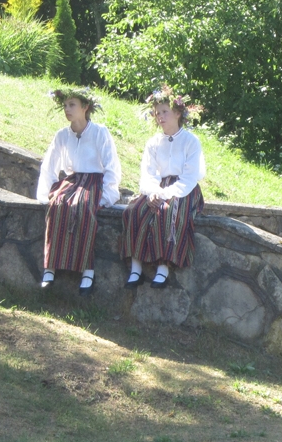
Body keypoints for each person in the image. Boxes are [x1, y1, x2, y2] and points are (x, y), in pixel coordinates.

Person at [36, 88, 122, 296]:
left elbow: (111, 165)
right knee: (57, 204)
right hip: (72, 181)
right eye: (65, 105)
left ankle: (87, 270)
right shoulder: (62, 135)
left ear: (85, 107)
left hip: (93, 182)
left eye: (72, 105)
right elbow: (50, 164)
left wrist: (106, 195)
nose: (67, 109)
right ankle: (50, 267)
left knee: (83, 207)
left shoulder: (100, 132)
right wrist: (45, 193)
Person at [121, 86, 206, 288]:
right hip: (156, 187)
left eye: (165, 112)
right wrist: (153, 192)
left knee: (167, 212)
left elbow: (190, 176)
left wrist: (165, 194)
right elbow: (148, 172)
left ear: (177, 113)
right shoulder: (153, 142)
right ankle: (136, 268)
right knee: (134, 210)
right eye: (157, 113)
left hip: (184, 189)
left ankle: (163, 267)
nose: (160, 117)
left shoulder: (190, 141)